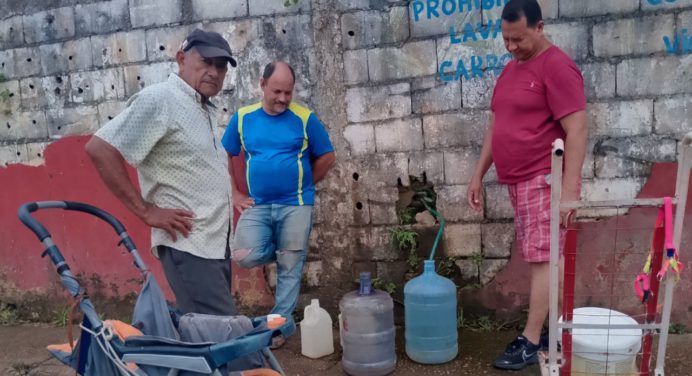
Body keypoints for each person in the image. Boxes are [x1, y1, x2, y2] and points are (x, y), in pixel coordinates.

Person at [465, 0, 588, 370]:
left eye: (518, 38)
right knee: (545, 258)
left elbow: (578, 129)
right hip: (519, 180)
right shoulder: (512, 69)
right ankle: (557, 330)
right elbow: (495, 125)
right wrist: (478, 173)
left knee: (542, 261)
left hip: (543, 178)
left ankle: (531, 340)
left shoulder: (557, 67)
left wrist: (568, 193)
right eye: (505, 39)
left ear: (539, 27)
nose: (511, 46)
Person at [85, 29, 239, 316]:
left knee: (205, 334)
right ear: (181, 58)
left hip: (214, 244)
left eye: (221, 66)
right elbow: (100, 148)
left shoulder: (204, 109)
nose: (214, 72)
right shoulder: (161, 100)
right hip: (190, 245)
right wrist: (146, 211)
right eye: (206, 61)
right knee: (220, 334)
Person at [221, 61, 336, 342]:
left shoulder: (305, 118)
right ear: (262, 85)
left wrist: (306, 184)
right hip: (257, 204)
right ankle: (287, 252)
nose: (283, 99)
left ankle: (279, 329)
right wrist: (234, 193)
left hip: (296, 204)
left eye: (288, 92)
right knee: (244, 255)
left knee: (289, 271)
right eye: (277, 91)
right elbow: (225, 153)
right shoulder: (243, 118)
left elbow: (327, 156)